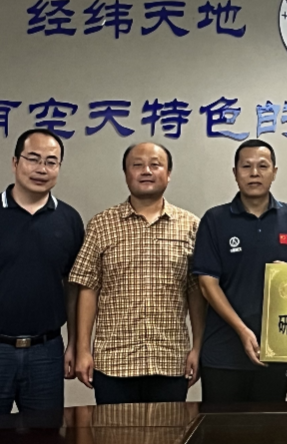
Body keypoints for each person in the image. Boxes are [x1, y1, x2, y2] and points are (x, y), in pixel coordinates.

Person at [0, 128, 85, 424]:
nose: (41, 169)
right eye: (33, 159)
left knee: (44, 443)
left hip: (46, 353)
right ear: (15, 162)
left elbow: (73, 289)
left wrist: (75, 343)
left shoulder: (69, 220)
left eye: (51, 162)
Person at [68, 142, 205, 404]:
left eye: (155, 165)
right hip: (113, 362)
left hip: (169, 360)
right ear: (126, 173)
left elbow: (196, 292)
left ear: (168, 173)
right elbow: (88, 289)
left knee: (168, 432)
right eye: (137, 165)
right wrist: (83, 350)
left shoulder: (191, 226)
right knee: (112, 432)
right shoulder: (102, 224)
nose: (146, 171)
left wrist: (198, 347)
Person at [191, 139, 287, 402]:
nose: (254, 173)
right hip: (222, 351)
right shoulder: (215, 219)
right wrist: (242, 330)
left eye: (263, 166)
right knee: (221, 427)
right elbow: (207, 284)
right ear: (235, 173)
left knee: (268, 425)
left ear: (274, 172)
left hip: (275, 350)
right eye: (246, 166)